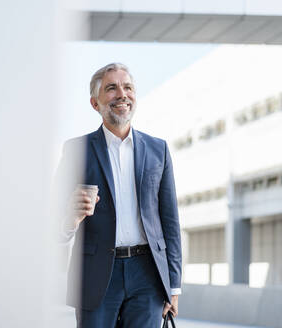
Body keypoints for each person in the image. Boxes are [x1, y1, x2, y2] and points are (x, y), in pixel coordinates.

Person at [57, 63, 181, 328]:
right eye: (111, 88)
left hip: (148, 273)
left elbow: (170, 222)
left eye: (128, 87)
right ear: (95, 102)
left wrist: (174, 284)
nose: (121, 94)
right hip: (97, 273)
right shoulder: (77, 150)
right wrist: (70, 218)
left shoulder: (158, 149)